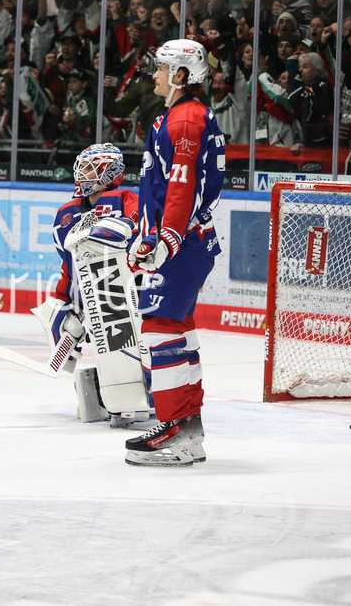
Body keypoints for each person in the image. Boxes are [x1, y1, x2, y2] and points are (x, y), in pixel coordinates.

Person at [124, 38, 225, 466]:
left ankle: (176, 431)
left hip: (182, 244)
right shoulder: (179, 116)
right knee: (177, 330)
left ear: (181, 75)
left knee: (159, 330)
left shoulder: (184, 121)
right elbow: (166, 187)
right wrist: (147, 232)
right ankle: (187, 427)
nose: (155, 75)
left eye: (162, 69)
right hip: (185, 241)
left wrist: (165, 239)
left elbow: (182, 189)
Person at [31, 144, 148, 426]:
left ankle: (142, 393)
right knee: (56, 313)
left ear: (109, 172)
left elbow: (138, 242)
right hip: (93, 294)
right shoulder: (66, 214)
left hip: (130, 289)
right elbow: (69, 265)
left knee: (136, 343)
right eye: (81, 167)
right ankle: (110, 394)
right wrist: (65, 303)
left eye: (88, 167)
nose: (81, 173)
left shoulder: (129, 199)